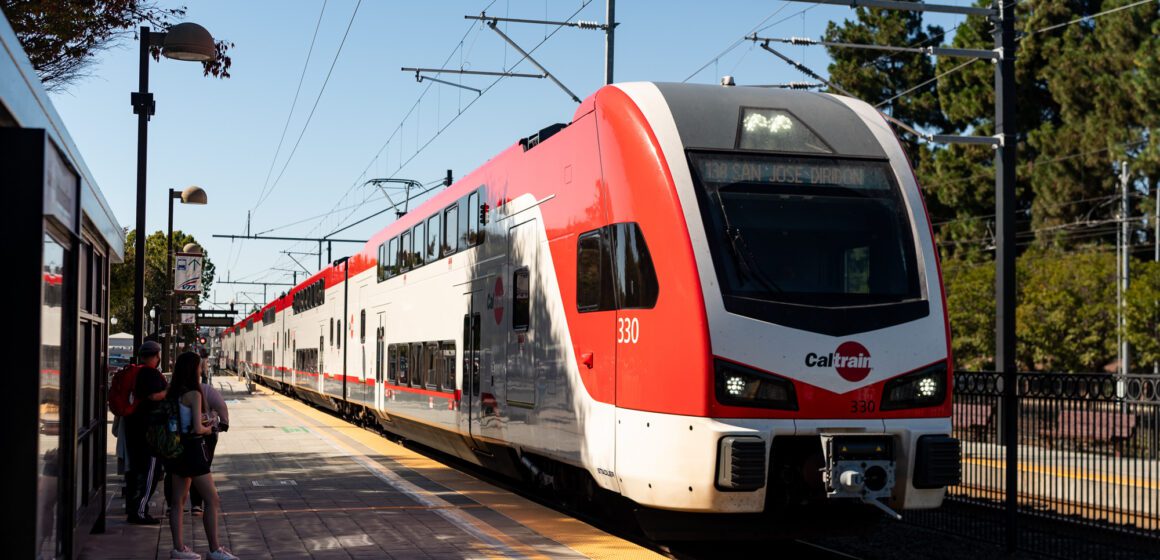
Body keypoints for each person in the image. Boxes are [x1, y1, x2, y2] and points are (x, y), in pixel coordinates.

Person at [165, 352, 238, 560]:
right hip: (193, 452)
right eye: (199, 366)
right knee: (212, 499)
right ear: (193, 369)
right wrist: (211, 425)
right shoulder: (195, 394)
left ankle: (179, 549)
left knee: (178, 502)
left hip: (177, 450)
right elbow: (197, 428)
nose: (202, 369)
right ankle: (215, 550)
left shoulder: (172, 391)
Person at [124, 340, 167, 525]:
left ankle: (134, 509)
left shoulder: (136, 372)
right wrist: (169, 391)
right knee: (150, 471)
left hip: (133, 428)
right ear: (156, 356)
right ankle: (140, 512)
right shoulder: (150, 374)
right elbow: (154, 396)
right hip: (148, 431)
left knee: (136, 470)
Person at [189, 358, 229, 516]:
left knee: (177, 473)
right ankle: (197, 504)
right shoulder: (204, 390)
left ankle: (173, 505)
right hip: (202, 437)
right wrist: (222, 424)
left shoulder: (172, 390)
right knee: (202, 469)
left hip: (177, 438)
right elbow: (221, 406)